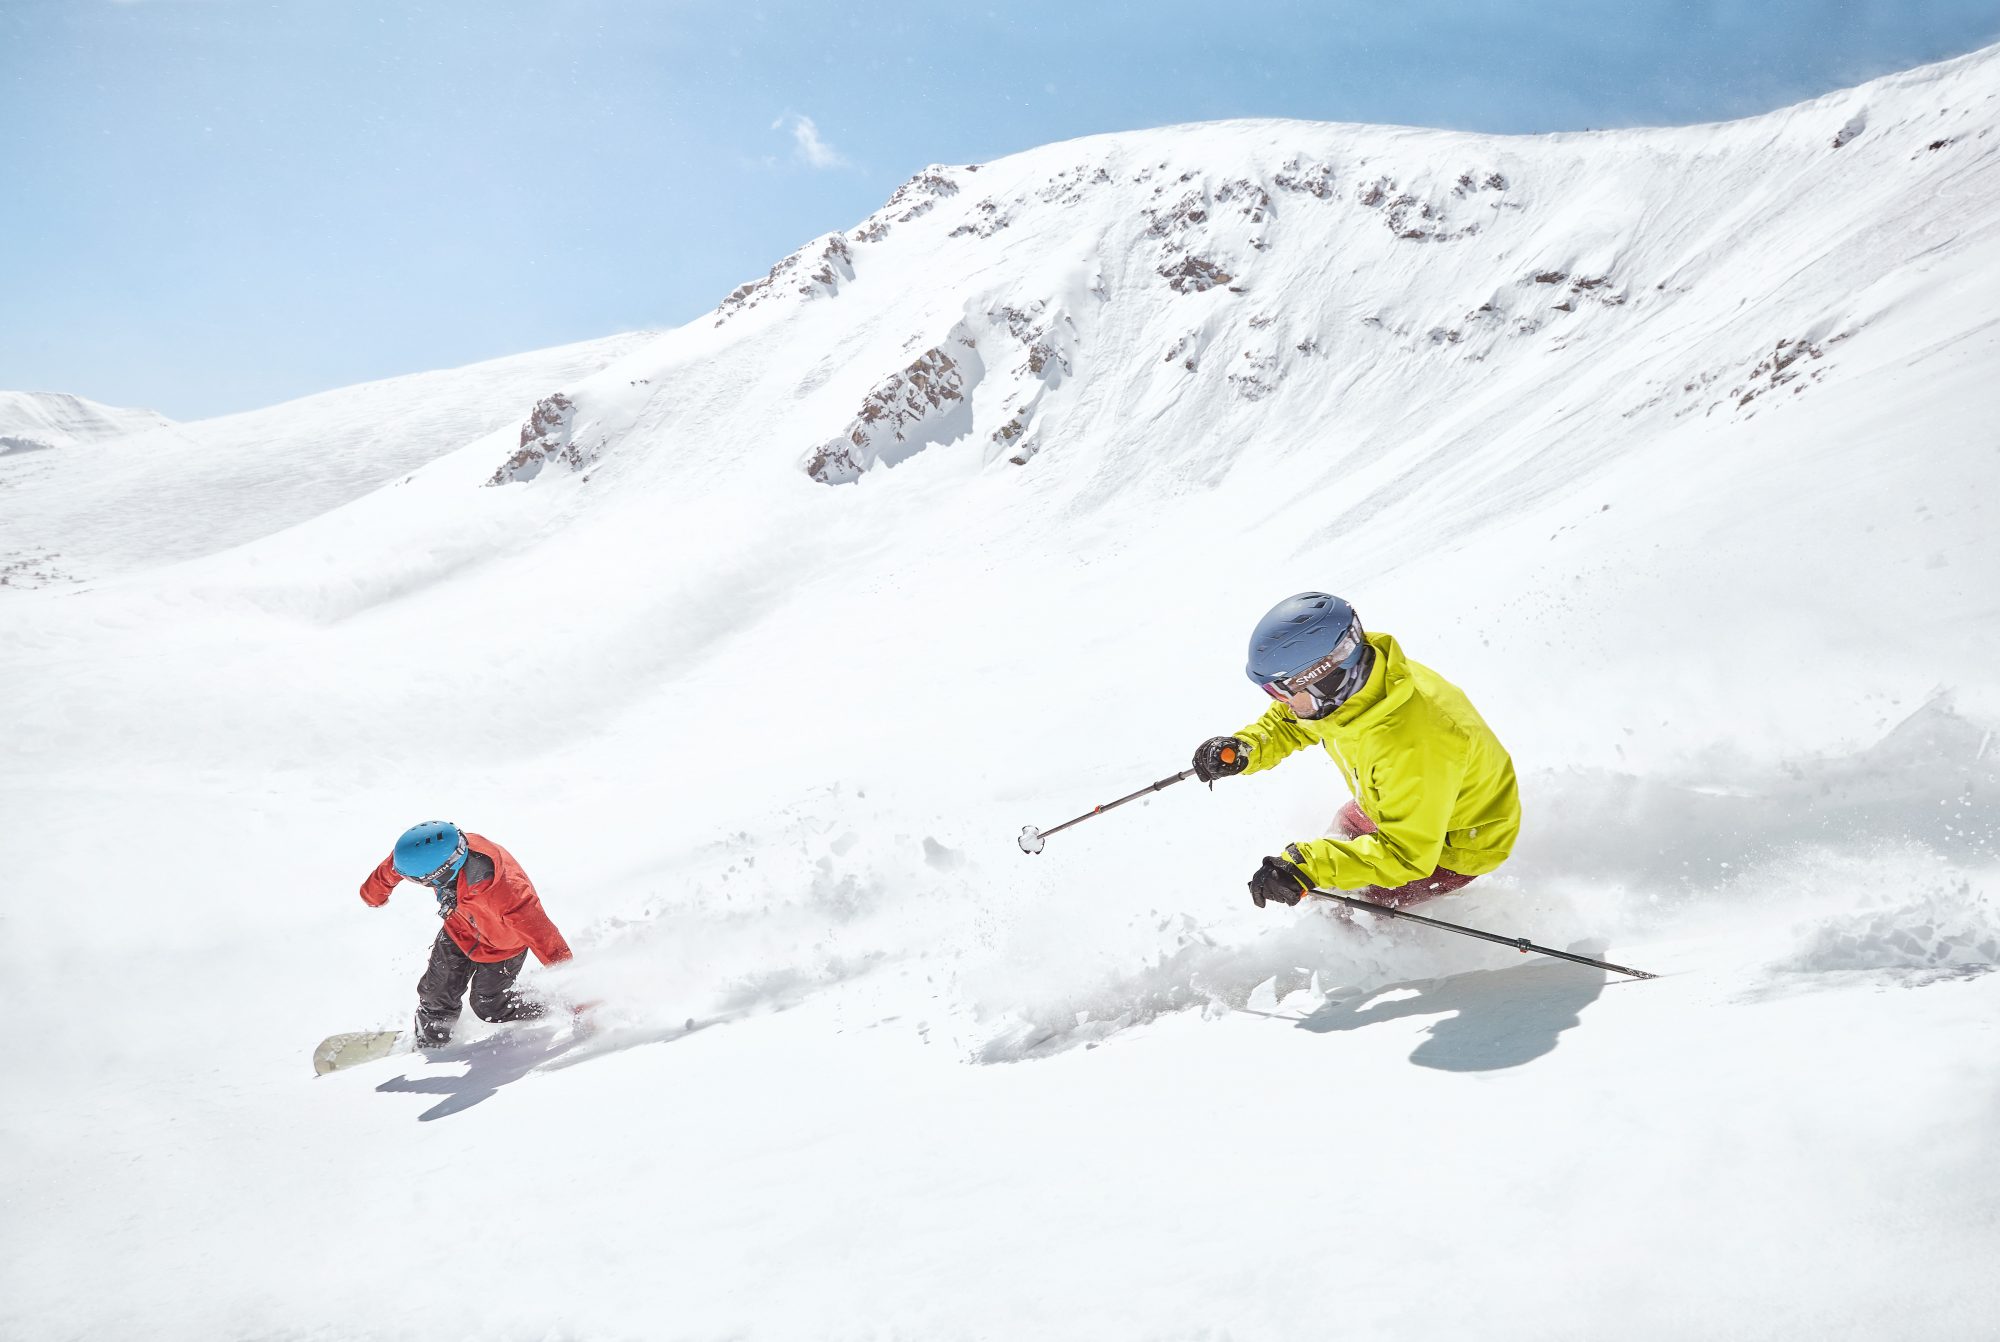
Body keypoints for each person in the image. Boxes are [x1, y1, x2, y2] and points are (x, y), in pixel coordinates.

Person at [1191, 592, 1521, 912]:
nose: (1280, 701)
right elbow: (1295, 720)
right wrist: (1247, 748)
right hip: (1400, 805)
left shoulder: (1409, 745)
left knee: (1350, 907)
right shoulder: (1361, 681)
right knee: (1332, 859)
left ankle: (1376, 953)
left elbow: (1406, 854)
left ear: (1323, 678)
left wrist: (1310, 868)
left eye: (1282, 689)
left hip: (1450, 848)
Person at [358, 821, 575, 1049]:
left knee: (489, 1005)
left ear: (443, 873)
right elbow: (394, 866)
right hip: (458, 930)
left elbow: (549, 943)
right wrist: (374, 895)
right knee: (435, 994)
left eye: (420, 881)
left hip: (502, 947)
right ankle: (431, 1041)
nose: (417, 884)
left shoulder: (509, 894)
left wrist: (578, 996)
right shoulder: (438, 851)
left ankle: (547, 1002)